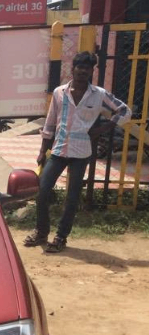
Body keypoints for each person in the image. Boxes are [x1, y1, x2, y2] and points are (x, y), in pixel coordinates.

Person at [24, 51, 131, 253]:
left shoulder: (99, 94)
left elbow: (125, 111)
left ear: (92, 71)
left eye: (87, 68)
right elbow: (50, 122)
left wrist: (103, 128)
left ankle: (61, 237)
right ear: (73, 68)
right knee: (42, 192)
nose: (83, 71)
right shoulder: (59, 92)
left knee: (72, 197)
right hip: (58, 150)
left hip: (81, 153)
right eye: (80, 67)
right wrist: (42, 150)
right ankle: (41, 232)